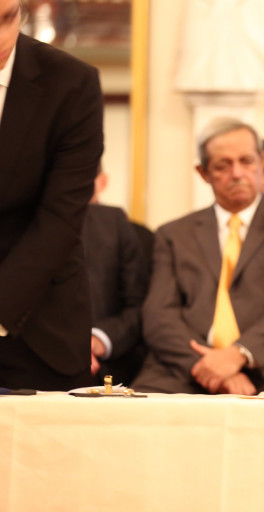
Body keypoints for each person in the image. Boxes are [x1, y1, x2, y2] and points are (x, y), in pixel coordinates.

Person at [132, 118, 264, 395]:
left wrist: (239, 354)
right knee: (129, 412)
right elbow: (159, 316)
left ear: (260, 163)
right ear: (203, 172)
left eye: (247, 161)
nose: (237, 173)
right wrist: (210, 367)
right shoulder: (173, 234)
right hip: (184, 369)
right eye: (223, 165)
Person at [0, 0, 104, 391]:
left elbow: (59, 219)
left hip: (38, 329)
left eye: (8, 18)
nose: (1, 39)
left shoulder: (71, 83)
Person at [83, 168, 150, 386]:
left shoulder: (123, 228)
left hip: (110, 363)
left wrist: (96, 340)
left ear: (102, 181)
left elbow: (140, 305)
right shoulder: (25, 224)